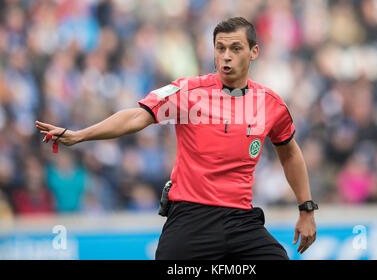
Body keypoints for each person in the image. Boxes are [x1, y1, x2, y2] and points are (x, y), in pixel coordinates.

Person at [35, 17, 317, 260]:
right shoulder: (189, 92)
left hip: (241, 219)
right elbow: (137, 116)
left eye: (235, 48)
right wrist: (80, 135)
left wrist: (306, 209)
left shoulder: (270, 104)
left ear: (254, 52)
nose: (226, 56)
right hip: (191, 218)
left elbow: (289, 152)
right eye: (220, 48)